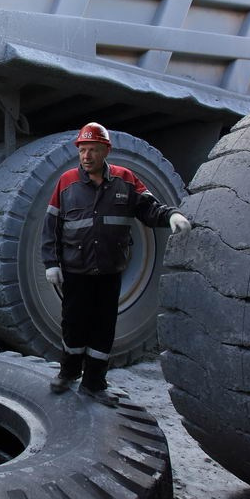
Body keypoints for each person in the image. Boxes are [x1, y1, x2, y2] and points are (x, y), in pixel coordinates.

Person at [41, 123, 191, 405]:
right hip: (76, 271)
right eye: (82, 150)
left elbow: (149, 208)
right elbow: (51, 227)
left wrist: (170, 215)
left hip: (109, 272)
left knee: (103, 328)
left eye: (93, 150)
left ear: (105, 151)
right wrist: (51, 263)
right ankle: (68, 373)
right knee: (73, 325)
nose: (86, 156)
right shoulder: (67, 182)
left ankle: (94, 384)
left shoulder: (125, 179)